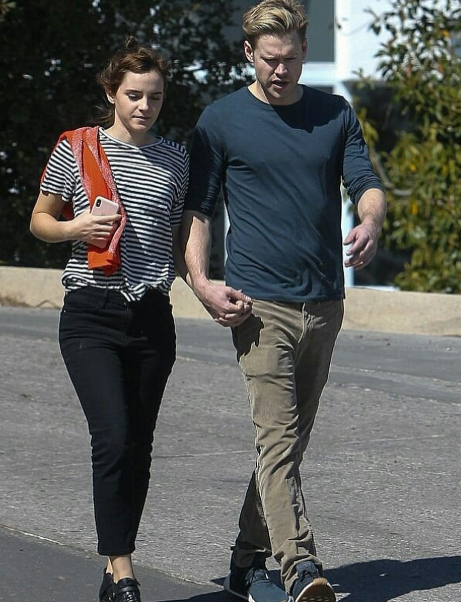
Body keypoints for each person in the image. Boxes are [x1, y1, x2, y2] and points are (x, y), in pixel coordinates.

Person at [181, 1, 386, 601]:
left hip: (323, 302)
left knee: (288, 446)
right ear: (249, 53)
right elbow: (198, 209)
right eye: (270, 59)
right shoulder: (221, 120)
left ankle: (246, 559)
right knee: (277, 438)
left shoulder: (334, 113)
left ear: (303, 52)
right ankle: (299, 566)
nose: (281, 70)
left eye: (291, 59)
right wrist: (201, 281)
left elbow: (365, 183)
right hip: (257, 304)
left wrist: (371, 222)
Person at [30, 38, 189, 602]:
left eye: (155, 97)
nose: (145, 106)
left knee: (138, 446)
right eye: (134, 95)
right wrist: (75, 229)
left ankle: (114, 566)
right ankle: (122, 571)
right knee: (114, 437)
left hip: (151, 317)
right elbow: (40, 220)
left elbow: (178, 241)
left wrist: (208, 287)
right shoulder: (77, 148)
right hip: (91, 314)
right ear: (111, 93)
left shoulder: (176, 159)